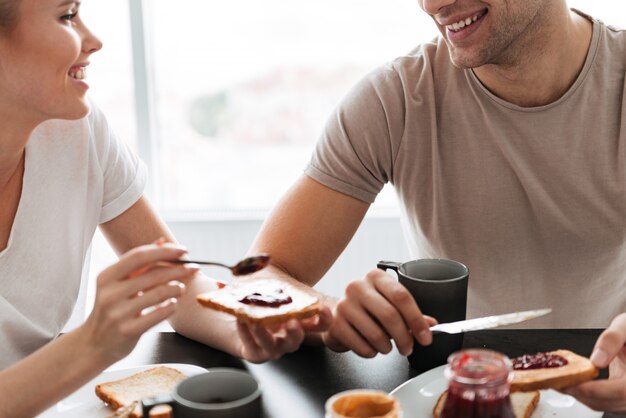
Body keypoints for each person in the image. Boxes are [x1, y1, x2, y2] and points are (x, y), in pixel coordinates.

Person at [230, 0, 626, 413]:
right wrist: (329, 318)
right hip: (443, 392)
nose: (432, 4)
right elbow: (258, 281)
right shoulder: (395, 100)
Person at [0, 0, 329, 416]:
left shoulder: (77, 131)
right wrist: (92, 344)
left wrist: (243, 330)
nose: (95, 41)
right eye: (67, 16)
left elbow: (178, 286)